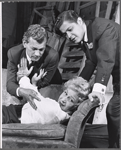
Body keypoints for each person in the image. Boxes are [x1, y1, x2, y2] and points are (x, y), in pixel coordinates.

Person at [55, 10, 120, 148]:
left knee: (114, 111)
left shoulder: (103, 28)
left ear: (79, 21)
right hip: (118, 79)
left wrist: (98, 90)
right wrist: (75, 86)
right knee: (114, 111)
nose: (69, 36)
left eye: (70, 29)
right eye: (65, 33)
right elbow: (91, 62)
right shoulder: (85, 36)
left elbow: (106, 60)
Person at [6, 24, 62, 110]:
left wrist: (30, 80)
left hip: (51, 84)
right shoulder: (13, 54)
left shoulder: (52, 56)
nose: (37, 54)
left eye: (41, 49)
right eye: (34, 49)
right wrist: (21, 89)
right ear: (25, 43)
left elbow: (45, 82)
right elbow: (10, 84)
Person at [3, 74, 91, 124]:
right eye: (65, 93)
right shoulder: (58, 108)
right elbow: (40, 107)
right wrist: (34, 84)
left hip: (13, 117)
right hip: (16, 113)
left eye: (71, 100)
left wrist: (23, 77)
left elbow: (34, 96)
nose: (64, 99)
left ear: (76, 105)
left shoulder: (59, 112)